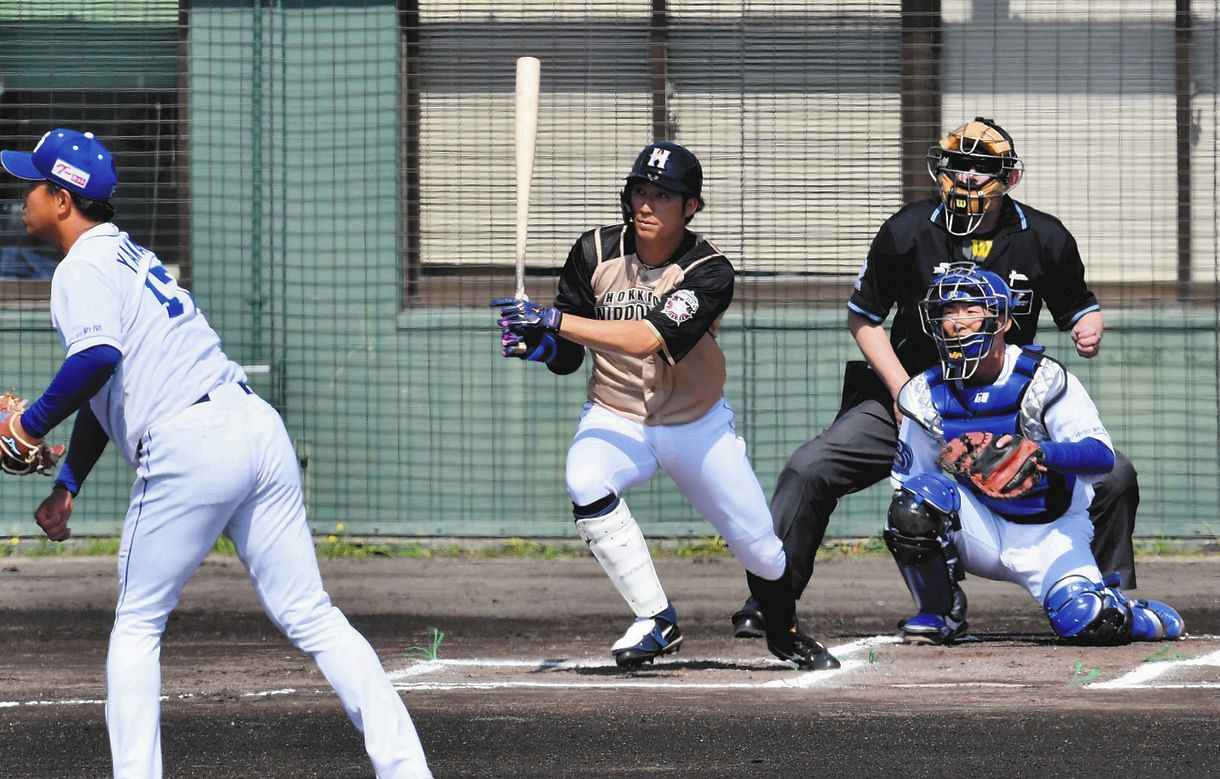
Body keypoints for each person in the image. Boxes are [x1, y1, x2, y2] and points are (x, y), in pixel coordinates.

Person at [0, 129, 431, 779]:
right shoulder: (129, 258)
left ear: (63, 200)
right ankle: (406, 769)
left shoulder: (79, 268)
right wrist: (68, 482)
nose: (20, 195)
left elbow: (95, 359)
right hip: (255, 427)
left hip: (191, 445)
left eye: (30, 184)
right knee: (313, 613)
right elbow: (104, 383)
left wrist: (29, 424)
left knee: (138, 625)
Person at [731, 117, 1140, 638]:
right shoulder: (908, 231)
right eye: (959, 164)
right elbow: (863, 318)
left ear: (1007, 177)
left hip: (1005, 405)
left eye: (982, 166)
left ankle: (1107, 599)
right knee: (810, 468)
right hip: (913, 395)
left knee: (1114, 474)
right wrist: (902, 390)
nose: (968, 176)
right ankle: (772, 600)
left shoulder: (1044, 237)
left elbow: (1078, 306)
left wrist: (1088, 325)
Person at [491, 141, 838, 671]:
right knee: (586, 480)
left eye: (663, 195)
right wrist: (541, 346)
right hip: (616, 415)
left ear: (690, 206)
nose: (646, 205)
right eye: (639, 192)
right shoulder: (594, 251)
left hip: (696, 425)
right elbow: (568, 357)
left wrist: (553, 322)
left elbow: (647, 337)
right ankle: (656, 618)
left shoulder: (709, 269)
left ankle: (784, 634)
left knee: (761, 550)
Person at [884, 266, 1182, 644]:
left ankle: (1134, 615)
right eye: (948, 312)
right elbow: (910, 484)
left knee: (1088, 622)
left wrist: (1037, 451)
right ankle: (939, 612)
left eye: (970, 310)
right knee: (912, 506)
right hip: (982, 530)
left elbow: (1101, 456)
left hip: (1051, 530)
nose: (957, 323)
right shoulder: (923, 392)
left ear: (1003, 319)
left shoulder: (1043, 378)